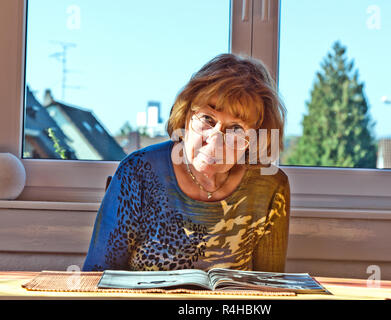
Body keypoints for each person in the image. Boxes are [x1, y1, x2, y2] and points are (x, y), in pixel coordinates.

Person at [82, 53, 290, 273]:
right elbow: (96, 276)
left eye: (236, 129)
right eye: (208, 119)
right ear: (186, 115)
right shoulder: (137, 172)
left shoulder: (270, 187)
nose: (215, 140)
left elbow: (271, 286)